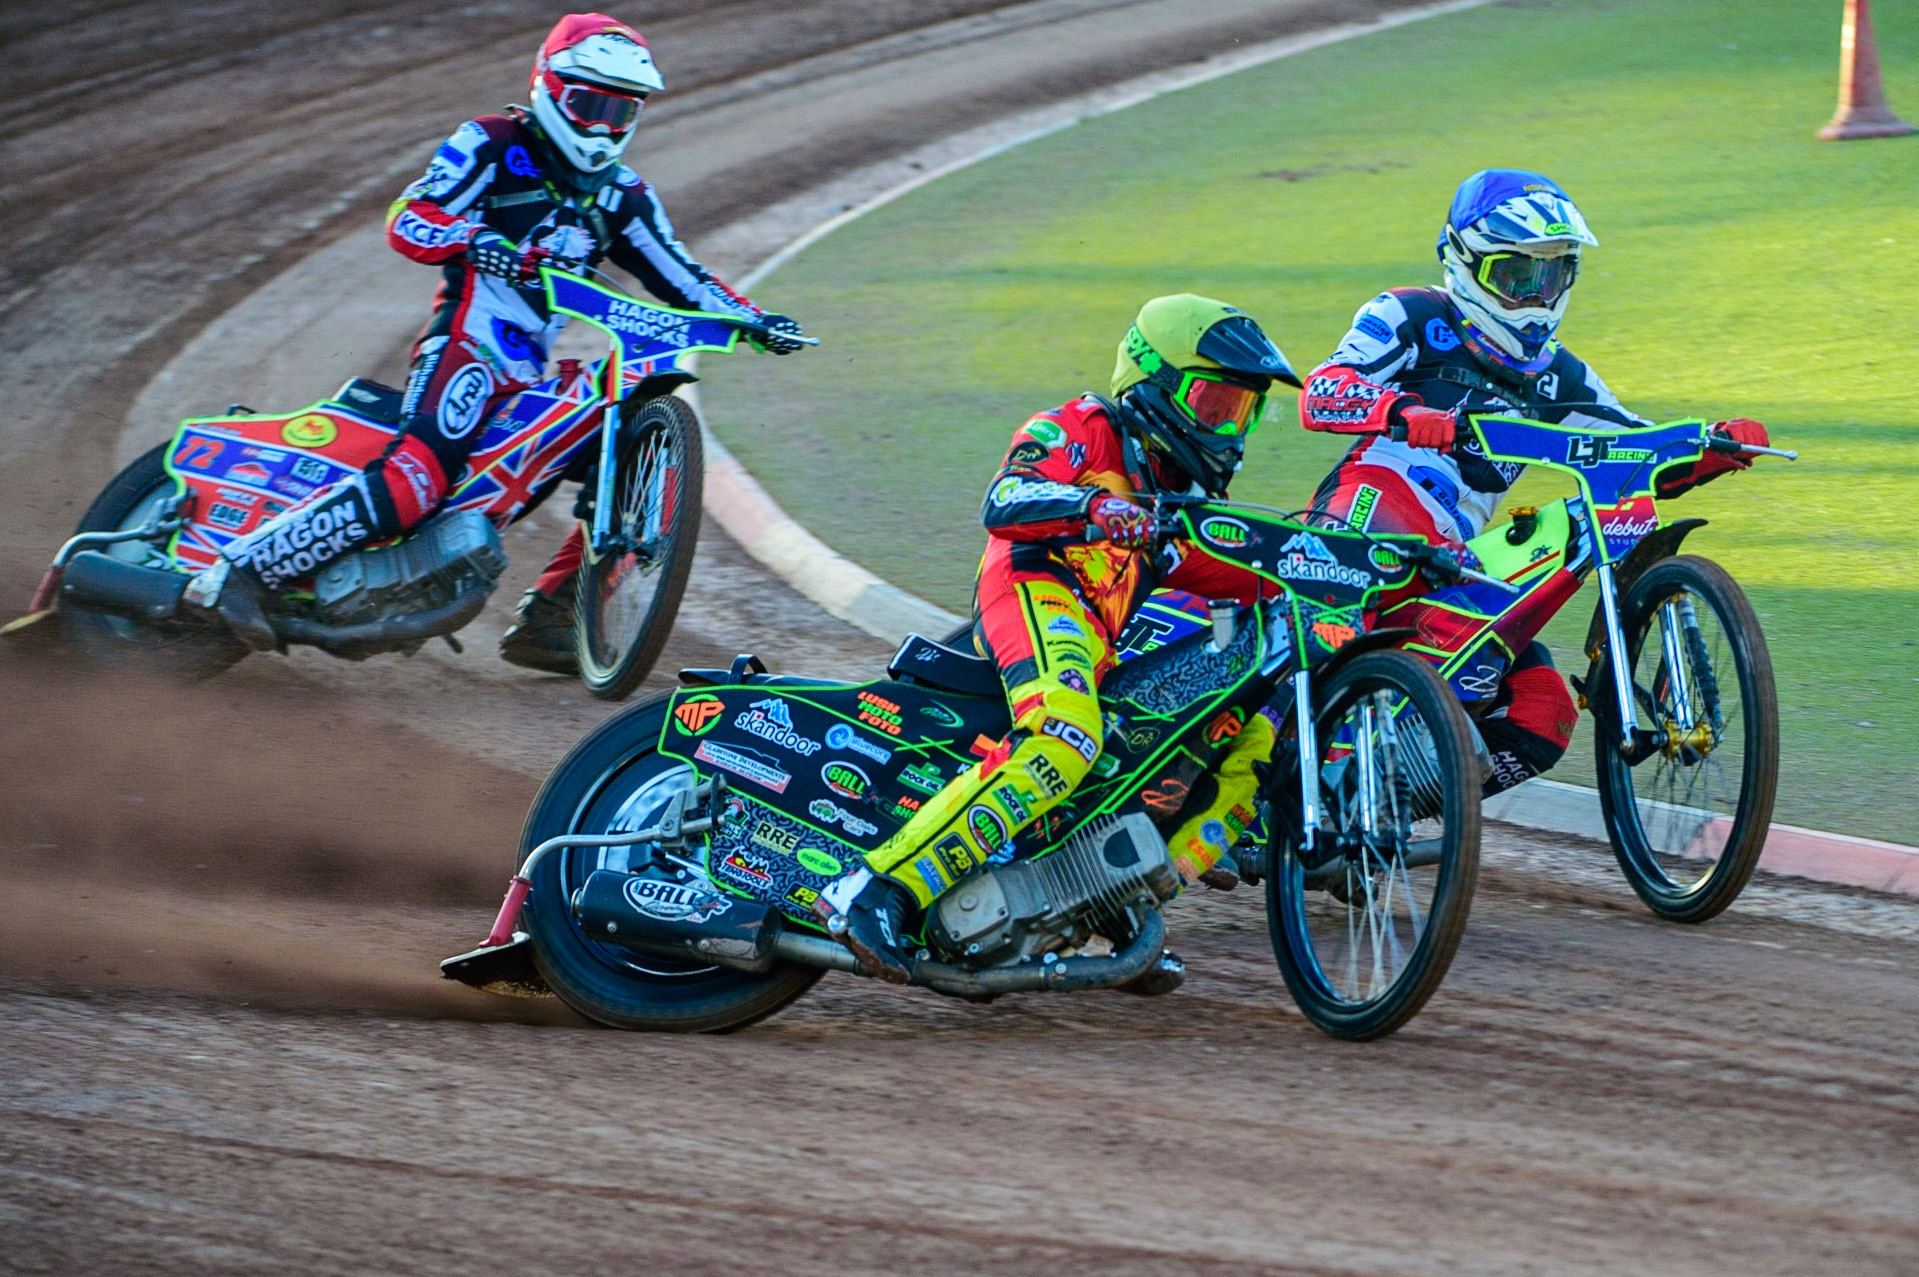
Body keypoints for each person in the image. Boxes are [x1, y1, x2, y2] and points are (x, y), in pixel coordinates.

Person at [189, 13, 803, 665]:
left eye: (619, 111)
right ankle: (237, 574)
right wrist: (478, 241)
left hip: (528, 367)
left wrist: (756, 318)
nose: (600, 125)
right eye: (587, 104)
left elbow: (684, 275)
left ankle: (552, 618)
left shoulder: (623, 196)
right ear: (548, 86)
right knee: (414, 482)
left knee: (621, 455)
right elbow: (411, 219)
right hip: (466, 345)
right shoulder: (491, 141)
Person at [827, 295, 1302, 982]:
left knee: (1241, 739)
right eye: (1213, 403)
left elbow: (1242, 573)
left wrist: (1336, 576)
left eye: (1241, 410)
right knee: (1065, 734)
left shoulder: (1184, 503)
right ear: (1153, 380)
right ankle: (873, 891)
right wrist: (1092, 507)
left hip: (1098, 643)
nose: (1227, 427)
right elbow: (1004, 499)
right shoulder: (1079, 425)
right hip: (1033, 586)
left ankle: (1105, 899)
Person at [1297, 168, 1769, 794]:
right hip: (1373, 503)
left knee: (1543, 713)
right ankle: (1269, 760)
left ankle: (1369, 815)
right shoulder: (1407, 313)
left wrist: (1709, 447)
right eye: (1516, 275)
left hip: (1458, 558)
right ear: (1464, 264)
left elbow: (1632, 445)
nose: (1535, 295)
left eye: (1551, 276)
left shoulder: (1562, 376)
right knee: (1331, 612)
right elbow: (1321, 391)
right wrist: (1402, 413)